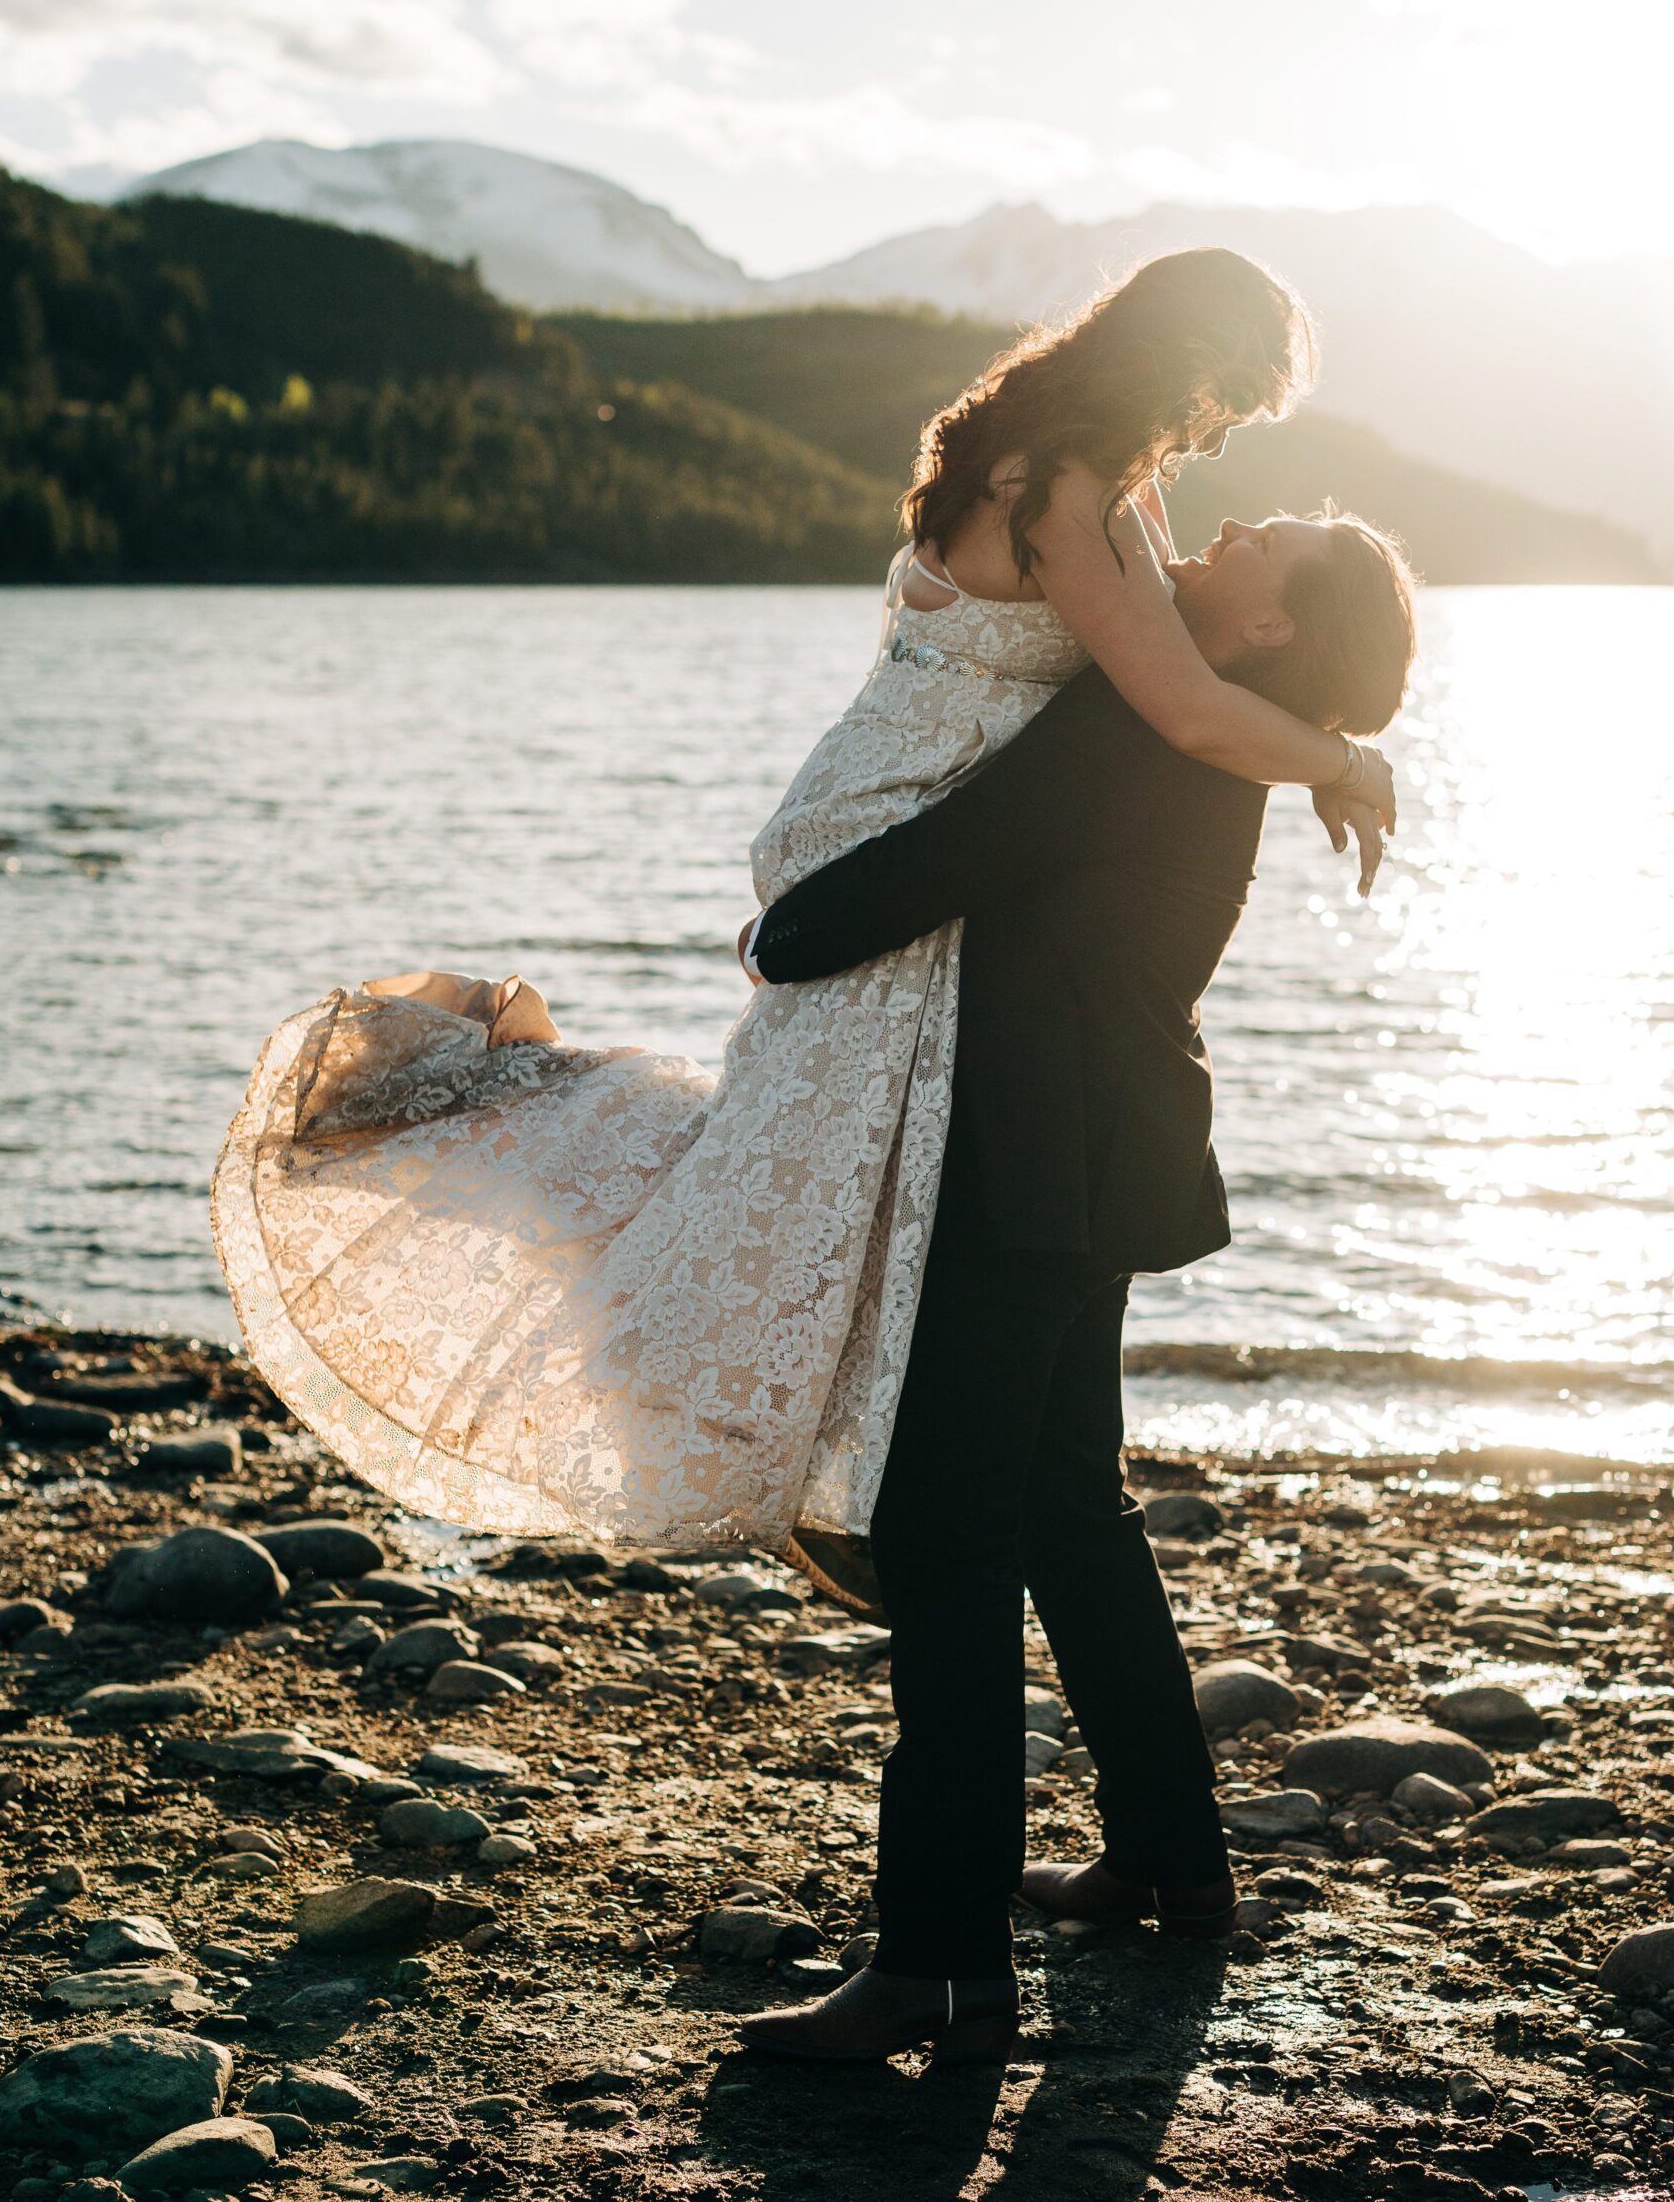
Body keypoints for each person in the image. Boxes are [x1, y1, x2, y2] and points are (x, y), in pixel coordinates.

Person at [210, 249, 1397, 1583]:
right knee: (792, 1182)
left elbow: (1165, 689)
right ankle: (496, 1117)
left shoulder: (1079, 469)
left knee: (812, 1161)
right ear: (1172, 357)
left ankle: (845, 1487)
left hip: (905, 821)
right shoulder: (1071, 487)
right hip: (893, 833)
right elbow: (1173, 707)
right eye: (1220, 393)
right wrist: (1343, 761)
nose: (1220, 427)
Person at [732, 510, 1417, 2064]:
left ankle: (936, 1962)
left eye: (1271, 538)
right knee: (1063, 1514)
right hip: (1106, 1154)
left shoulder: (1145, 719)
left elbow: (946, 860)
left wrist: (786, 933)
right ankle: (1175, 1863)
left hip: (1028, 1162)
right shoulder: (1224, 728)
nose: (1231, 520)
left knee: (945, 1539)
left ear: (1258, 632)